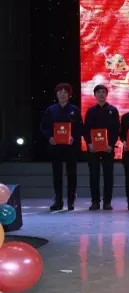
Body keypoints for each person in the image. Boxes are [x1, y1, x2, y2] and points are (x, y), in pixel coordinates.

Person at [40, 83, 84, 211]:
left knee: (71, 173)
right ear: (56, 94)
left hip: (70, 146)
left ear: (69, 95)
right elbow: (44, 126)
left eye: (65, 92)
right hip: (56, 146)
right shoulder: (51, 110)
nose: (62, 95)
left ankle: (71, 200)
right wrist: (50, 137)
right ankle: (58, 201)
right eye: (60, 92)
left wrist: (73, 137)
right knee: (57, 174)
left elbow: (79, 127)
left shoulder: (74, 110)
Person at [84, 84, 120, 211]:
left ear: (106, 94)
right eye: (98, 92)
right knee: (94, 175)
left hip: (108, 148)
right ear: (95, 95)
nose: (101, 94)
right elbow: (86, 129)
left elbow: (116, 129)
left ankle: (107, 202)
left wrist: (111, 144)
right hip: (93, 149)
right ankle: (95, 201)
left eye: (103, 92)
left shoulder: (113, 110)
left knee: (108, 175)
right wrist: (89, 143)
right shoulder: (90, 111)